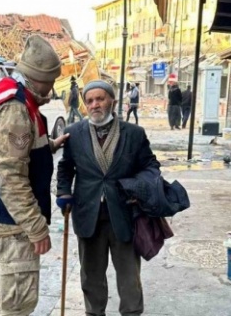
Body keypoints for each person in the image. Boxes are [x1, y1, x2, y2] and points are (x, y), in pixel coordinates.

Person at [0, 35, 69, 316]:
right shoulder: (16, 108)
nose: (51, 90)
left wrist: (49, 146)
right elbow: (9, 176)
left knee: (3, 292)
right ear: (37, 79)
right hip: (12, 225)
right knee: (18, 303)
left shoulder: (6, 91)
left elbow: (6, 151)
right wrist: (36, 227)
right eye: (50, 83)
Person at [56, 80, 161, 316]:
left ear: (112, 100)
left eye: (100, 99)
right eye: (89, 100)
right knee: (91, 275)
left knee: (129, 276)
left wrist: (139, 189)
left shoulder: (134, 134)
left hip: (124, 213)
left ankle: (132, 313)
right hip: (88, 214)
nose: (95, 104)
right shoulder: (74, 132)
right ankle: (94, 313)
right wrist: (64, 192)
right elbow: (66, 168)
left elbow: (150, 166)